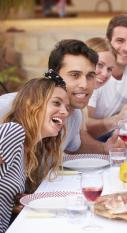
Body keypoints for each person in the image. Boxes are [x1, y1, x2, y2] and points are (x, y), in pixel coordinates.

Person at [0, 39, 119, 154]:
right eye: (75, 75)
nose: (85, 85)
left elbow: (76, 145)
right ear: (53, 76)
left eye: (90, 76)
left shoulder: (75, 115)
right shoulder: (10, 105)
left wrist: (105, 148)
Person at [0, 73, 69, 233]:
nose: (64, 112)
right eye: (56, 103)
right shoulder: (13, 131)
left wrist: (15, 201)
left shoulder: (29, 149)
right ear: (32, 104)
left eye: (67, 107)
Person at [87, 14, 127, 140]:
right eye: (120, 41)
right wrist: (117, 119)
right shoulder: (96, 73)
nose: (126, 48)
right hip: (93, 139)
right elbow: (85, 126)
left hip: (115, 132)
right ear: (107, 41)